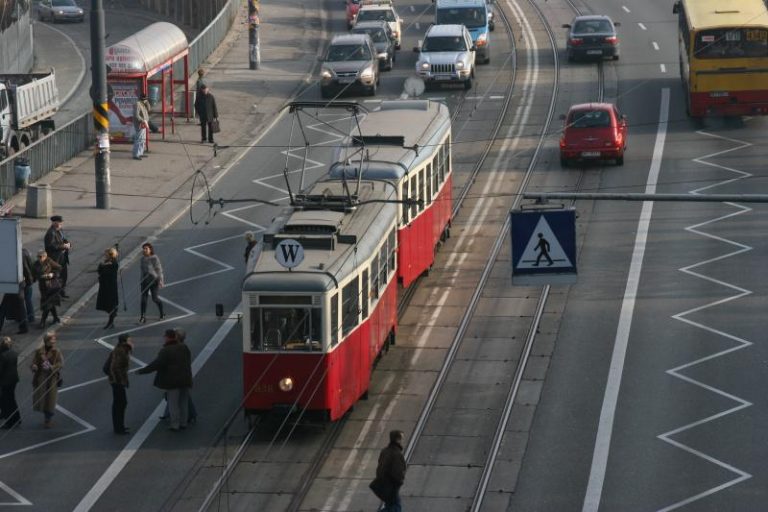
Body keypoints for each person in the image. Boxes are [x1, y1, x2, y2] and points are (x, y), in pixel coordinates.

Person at [136, 329, 193, 432]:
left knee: (173, 403)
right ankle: (183, 423)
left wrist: (142, 371)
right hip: (185, 379)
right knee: (183, 402)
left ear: (167, 337)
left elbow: (157, 364)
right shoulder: (184, 347)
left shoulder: (166, 350)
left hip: (173, 381)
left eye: (165, 336)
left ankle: (175, 425)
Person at [160, 327, 197, 424]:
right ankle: (186, 417)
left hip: (175, 378)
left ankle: (177, 420)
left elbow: (164, 363)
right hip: (183, 378)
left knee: (174, 399)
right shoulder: (183, 347)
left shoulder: (175, 348)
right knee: (182, 398)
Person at [31, 332, 63, 428]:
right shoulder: (39, 351)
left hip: (51, 378)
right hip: (41, 377)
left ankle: (48, 419)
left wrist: (52, 367)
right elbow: (34, 362)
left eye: (54, 339)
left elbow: (60, 364)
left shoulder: (56, 351)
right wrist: (34, 366)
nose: (54, 341)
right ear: (47, 341)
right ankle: (46, 416)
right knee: (42, 399)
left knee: (50, 399)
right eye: (52, 339)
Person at [374, 430, 407, 512]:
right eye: (401, 438)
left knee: (391, 506)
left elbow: (380, 466)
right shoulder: (397, 453)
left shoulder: (385, 451)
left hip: (383, 482)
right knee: (396, 507)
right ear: (397, 440)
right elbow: (399, 471)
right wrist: (398, 482)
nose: (402, 439)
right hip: (391, 484)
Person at [108, 334, 133, 435]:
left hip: (117, 381)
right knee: (120, 404)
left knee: (120, 404)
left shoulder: (122, 350)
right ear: (125, 341)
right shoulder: (121, 351)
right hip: (117, 381)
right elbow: (115, 367)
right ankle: (118, 428)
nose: (132, 342)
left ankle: (120, 426)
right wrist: (120, 381)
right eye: (130, 340)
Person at [33, 250, 62, 328]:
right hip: (43, 287)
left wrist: (52, 274)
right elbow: (34, 275)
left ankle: (42, 322)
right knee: (50, 303)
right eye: (38, 257)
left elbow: (59, 268)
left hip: (51, 286)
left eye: (40, 257)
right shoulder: (36, 264)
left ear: (45, 256)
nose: (39, 258)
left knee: (47, 304)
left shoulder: (49, 261)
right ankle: (56, 318)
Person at [43, 215, 71, 298]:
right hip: (55, 259)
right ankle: (55, 294)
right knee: (56, 276)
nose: (60, 224)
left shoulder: (59, 230)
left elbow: (64, 239)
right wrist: (63, 246)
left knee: (63, 276)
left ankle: (62, 291)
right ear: (54, 223)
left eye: (61, 223)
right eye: (59, 223)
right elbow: (50, 246)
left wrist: (68, 243)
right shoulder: (50, 233)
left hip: (62, 258)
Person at [139, 242, 164, 324]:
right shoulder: (142, 259)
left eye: (146, 248)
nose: (144, 250)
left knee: (155, 298)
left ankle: (162, 313)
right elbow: (142, 270)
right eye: (143, 248)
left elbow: (159, 270)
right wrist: (141, 280)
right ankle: (143, 317)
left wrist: (160, 280)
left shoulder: (154, 258)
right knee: (143, 299)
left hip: (153, 280)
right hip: (144, 281)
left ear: (150, 249)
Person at [0, 337, 21, 429]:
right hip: (13, 379)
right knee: (12, 399)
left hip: (5, 381)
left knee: (7, 401)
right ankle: (17, 417)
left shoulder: (3, 356)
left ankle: (10, 421)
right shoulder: (13, 353)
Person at [96, 248, 119, 329]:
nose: (104, 256)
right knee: (106, 305)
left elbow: (108, 273)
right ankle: (112, 318)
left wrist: (104, 266)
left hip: (111, 287)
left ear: (111, 255)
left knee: (111, 305)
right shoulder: (105, 262)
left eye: (106, 254)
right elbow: (99, 271)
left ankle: (111, 322)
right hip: (104, 286)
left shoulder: (114, 263)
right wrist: (101, 266)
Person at [132, 92, 150, 160]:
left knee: (142, 139)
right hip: (140, 124)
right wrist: (142, 120)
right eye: (145, 99)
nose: (146, 100)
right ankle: (136, 154)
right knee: (139, 139)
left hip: (144, 124)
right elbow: (136, 115)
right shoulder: (138, 104)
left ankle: (140, 153)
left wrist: (147, 103)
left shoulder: (143, 104)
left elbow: (149, 109)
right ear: (142, 99)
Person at [22, 248, 36, 326]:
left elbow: (26, 268)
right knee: (28, 299)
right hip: (29, 280)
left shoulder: (19, 254)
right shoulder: (26, 252)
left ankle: (22, 318)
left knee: (22, 300)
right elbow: (32, 266)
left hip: (24, 280)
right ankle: (31, 317)